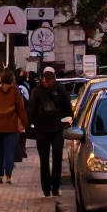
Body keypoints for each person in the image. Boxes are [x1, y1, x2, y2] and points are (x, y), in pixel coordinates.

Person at [27, 66, 73, 197]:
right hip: (42, 130)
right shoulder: (36, 91)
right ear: (43, 80)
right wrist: (28, 127)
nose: (49, 84)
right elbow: (31, 110)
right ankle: (46, 188)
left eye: (51, 81)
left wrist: (66, 123)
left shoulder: (60, 90)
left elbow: (67, 109)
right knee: (44, 160)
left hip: (57, 129)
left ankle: (56, 186)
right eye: (47, 81)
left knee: (57, 157)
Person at [0, 70, 28, 184]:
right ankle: (8, 176)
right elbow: (21, 109)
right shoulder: (15, 91)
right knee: (9, 152)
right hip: (11, 126)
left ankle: (0, 175)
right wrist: (26, 124)